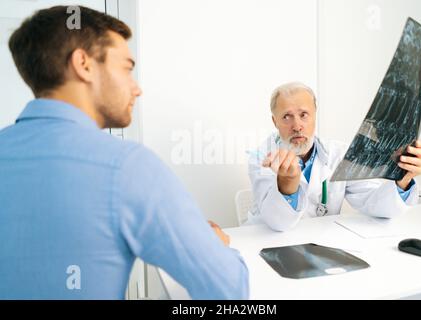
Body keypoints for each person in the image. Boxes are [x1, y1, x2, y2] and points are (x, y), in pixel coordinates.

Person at [0, 6, 248, 299]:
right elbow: (228, 292)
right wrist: (215, 247)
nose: (137, 88)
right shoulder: (127, 167)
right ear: (84, 64)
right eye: (127, 68)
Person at [248, 82, 421, 231]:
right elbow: (278, 222)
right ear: (275, 121)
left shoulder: (339, 153)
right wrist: (287, 184)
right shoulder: (262, 157)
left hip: (322, 244)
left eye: (304, 115)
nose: (297, 126)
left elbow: (373, 202)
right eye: (287, 116)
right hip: (267, 243)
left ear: (315, 114)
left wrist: (403, 179)